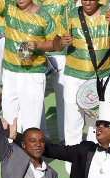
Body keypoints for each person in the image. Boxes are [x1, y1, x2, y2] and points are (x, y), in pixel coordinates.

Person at [60, 0, 110, 177]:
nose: (88, 2)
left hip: (102, 78)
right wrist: (61, 42)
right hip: (73, 78)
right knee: (72, 127)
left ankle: (94, 172)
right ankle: (74, 174)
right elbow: (55, 44)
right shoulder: (70, 14)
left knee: (98, 127)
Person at [0, 0, 63, 135]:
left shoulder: (44, 17)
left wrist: (37, 45)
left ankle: (30, 156)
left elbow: (56, 45)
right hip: (10, 73)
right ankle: (10, 154)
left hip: (33, 75)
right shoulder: (9, 8)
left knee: (31, 125)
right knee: (9, 122)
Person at [39, 0, 70, 142]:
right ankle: (42, 136)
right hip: (39, 55)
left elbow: (69, 27)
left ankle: (64, 138)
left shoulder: (67, 2)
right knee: (37, 98)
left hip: (61, 55)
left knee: (63, 99)